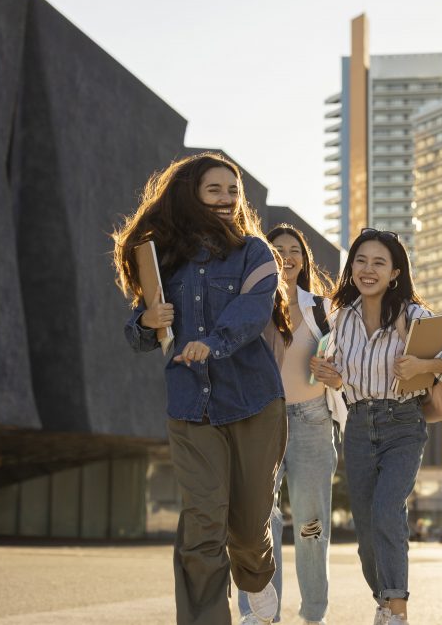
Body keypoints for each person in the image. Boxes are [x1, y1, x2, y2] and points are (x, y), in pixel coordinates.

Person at [113, 152, 289, 624]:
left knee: (249, 532)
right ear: (191, 194)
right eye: (215, 191)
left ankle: (256, 577)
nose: (228, 200)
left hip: (254, 403)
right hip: (192, 409)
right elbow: (138, 330)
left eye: (233, 192)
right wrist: (147, 321)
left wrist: (212, 343)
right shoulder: (162, 257)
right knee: (204, 528)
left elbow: (252, 313)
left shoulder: (255, 252)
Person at [310, 228, 442, 625]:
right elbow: (342, 376)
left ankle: (397, 612)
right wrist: (329, 374)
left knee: (386, 511)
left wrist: (423, 366)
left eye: (379, 262)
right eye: (361, 261)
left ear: (395, 272)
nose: (368, 269)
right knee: (365, 532)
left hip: (403, 423)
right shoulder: (340, 317)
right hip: (359, 425)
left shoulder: (413, 315)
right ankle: (383, 600)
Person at [236, 224, 337, 625]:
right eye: (276, 249)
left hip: (312, 421)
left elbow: (342, 363)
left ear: (304, 258)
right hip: (264, 421)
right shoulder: (252, 305)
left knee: (312, 525)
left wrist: (330, 368)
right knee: (261, 522)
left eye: (294, 249)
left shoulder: (322, 308)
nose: (286, 255)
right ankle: (259, 615)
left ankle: (314, 614)